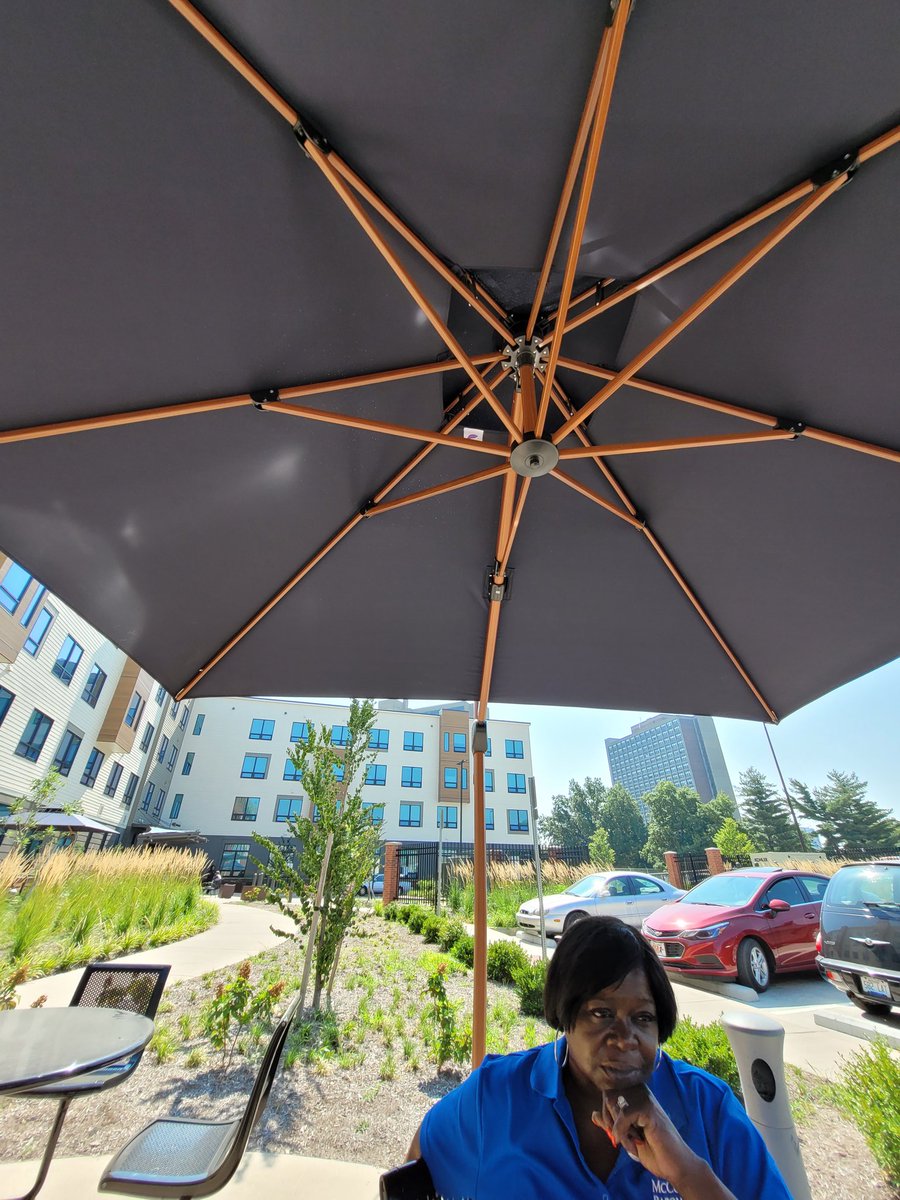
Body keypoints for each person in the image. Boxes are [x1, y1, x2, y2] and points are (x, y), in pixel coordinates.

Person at [409, 916, 792, 1200]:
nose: (625, 1039)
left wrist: (686, 1171)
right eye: (601, 1013)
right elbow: (415, 1167)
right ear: (565, 1012)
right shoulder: (494, 1096)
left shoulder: (708, 1109)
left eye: (643, 1018)